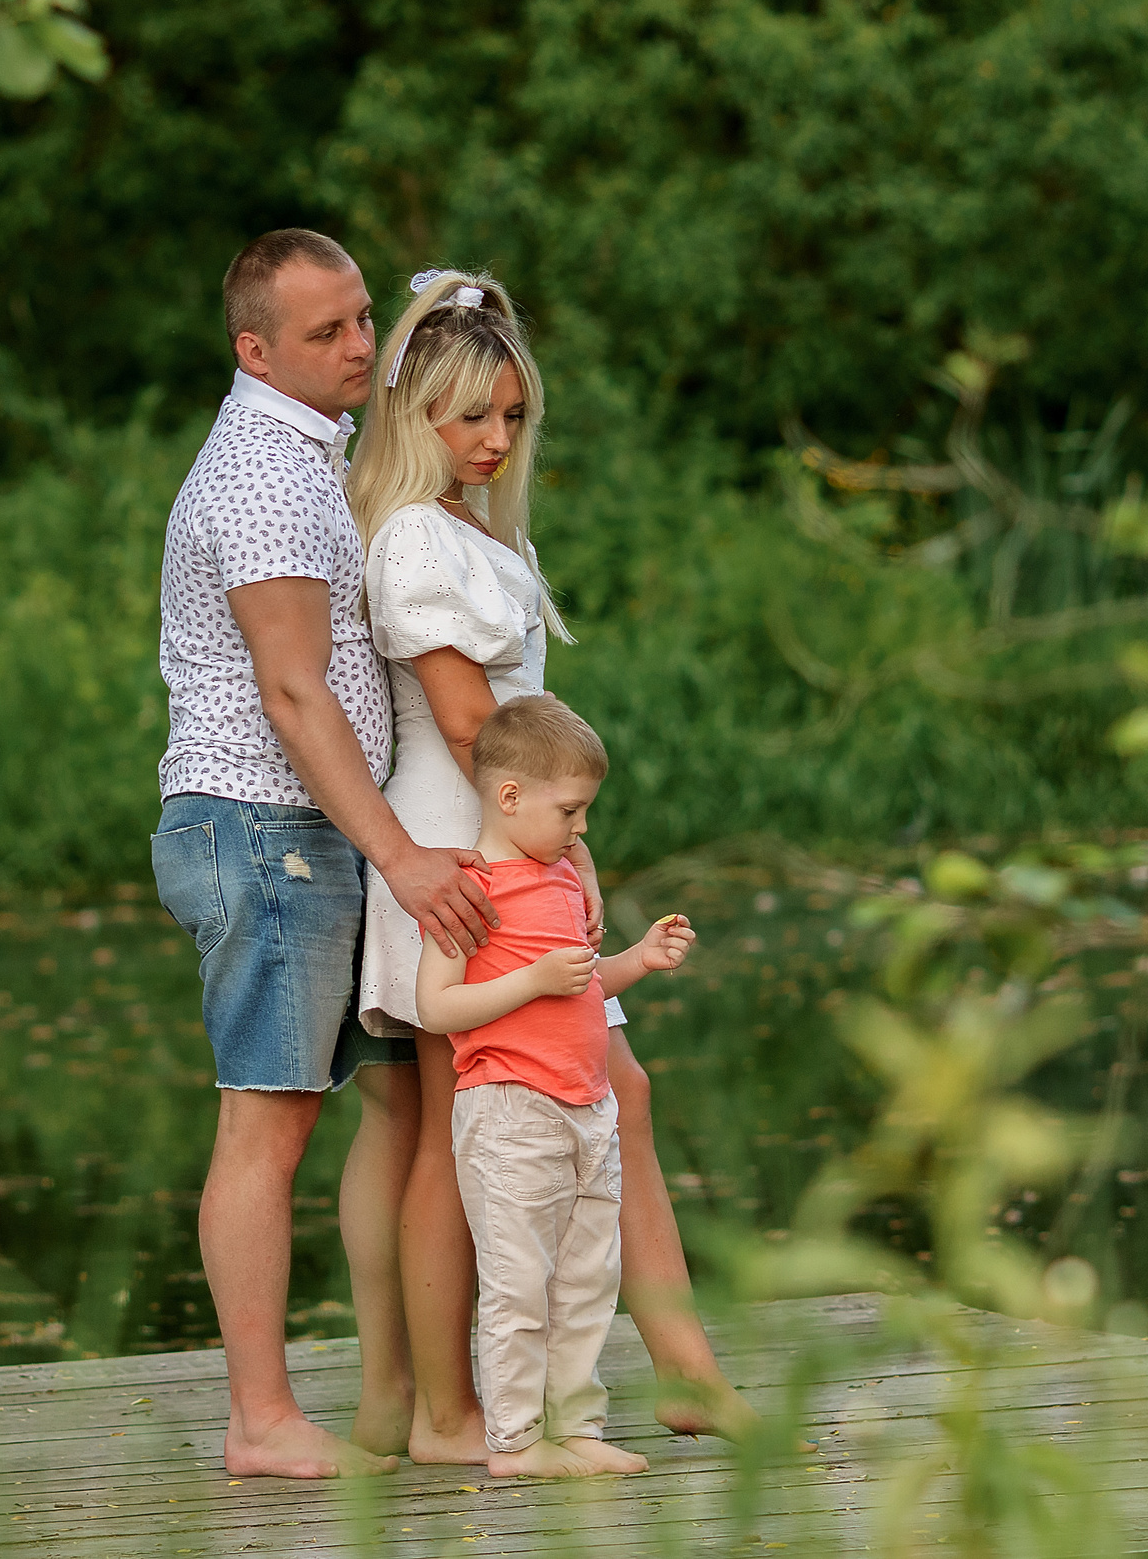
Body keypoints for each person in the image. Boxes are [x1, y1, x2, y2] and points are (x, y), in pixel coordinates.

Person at [340, 268, 777, 1462]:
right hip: (472, 849)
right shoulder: (416, 543)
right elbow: (477, 727)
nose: (493, 438)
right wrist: (556, 847)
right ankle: (447, 1411)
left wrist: (570, 847)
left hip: (531, 835)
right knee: (457, 1122)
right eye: (469, 415)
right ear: (413, 415)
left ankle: (679, 1371)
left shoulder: (481, 534)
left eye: (513, 416)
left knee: (603, 1096)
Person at [151, 229, 497, 1480]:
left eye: (362, 320)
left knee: (395, 1099)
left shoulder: (313, 454)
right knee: (268, 1123)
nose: (361, 347)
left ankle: (399, 1398)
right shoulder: (259, 474)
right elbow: (294, 696)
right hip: (262, 829)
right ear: (255, 351)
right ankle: (261, 1421)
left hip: (304, 832)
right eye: (327, 333)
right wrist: (404, 855)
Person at [413, 692, 697, 1478]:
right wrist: (534, 977)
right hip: (509, 1110)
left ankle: (575, 1427)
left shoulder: (562, 884)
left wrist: (638, 959)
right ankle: (514, 1441)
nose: (581, 830)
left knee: (585, 1281)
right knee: (519, 1284)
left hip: (585, 1108)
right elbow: (435, 1006)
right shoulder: (470, 892)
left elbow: (581, 985)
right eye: (571, 811)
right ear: (509, 797)